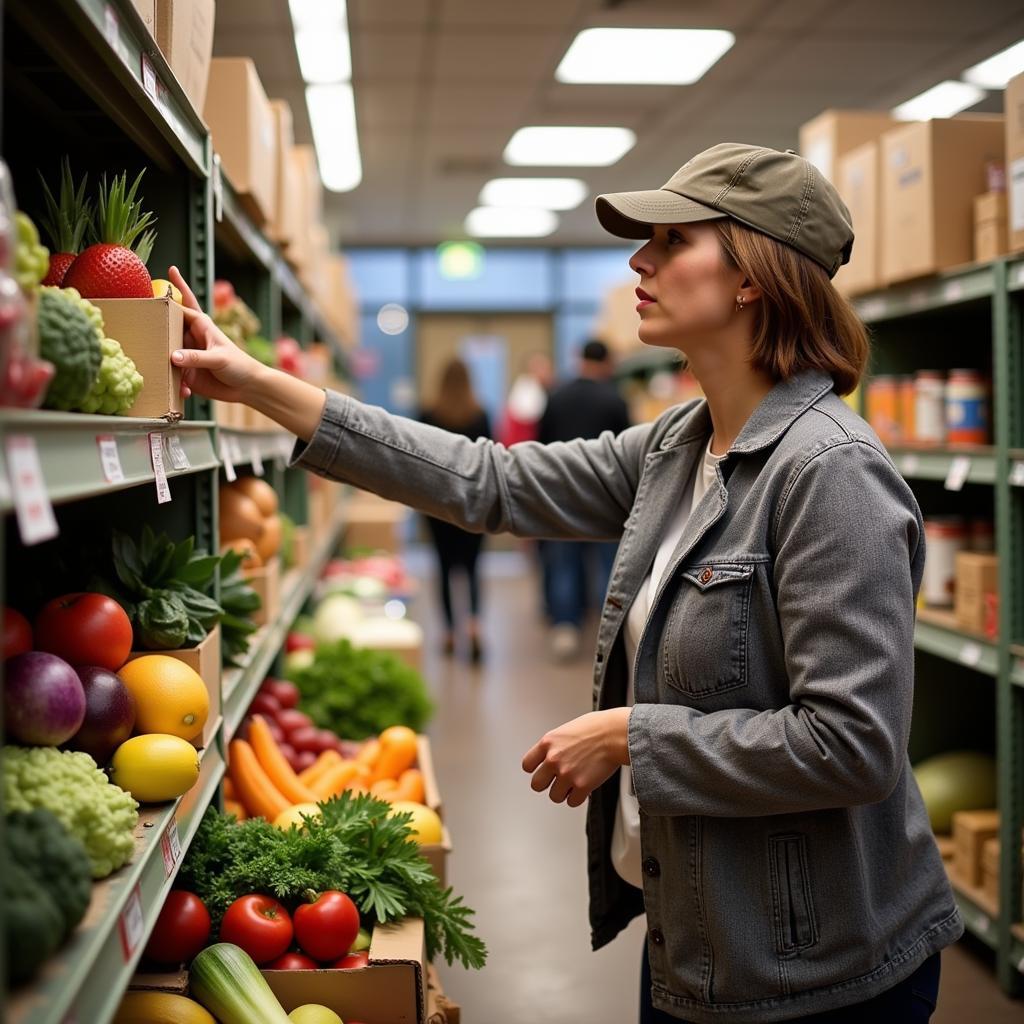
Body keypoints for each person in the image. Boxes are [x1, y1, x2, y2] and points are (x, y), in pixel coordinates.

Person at [165, 141, 960, 1024]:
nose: (639, 260)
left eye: (671, 240)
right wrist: (259, 385)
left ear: (752, 277)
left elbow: (854, 742)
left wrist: (635, 737)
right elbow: (490, 481)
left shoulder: (830, 474)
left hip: (818, 974)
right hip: (699, 941)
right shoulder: (678, 444)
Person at [538, 339, 631, 661]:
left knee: (564, 563)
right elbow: (628, 451)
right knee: (609, 566)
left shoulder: (556, 397)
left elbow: (542, 447)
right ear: (606, 364)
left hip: (563, 495)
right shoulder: (614, 400)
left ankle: (565, 628)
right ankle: (611, 634)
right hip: (606, 496)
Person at [419, 358, 491, 661]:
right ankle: (474, 626)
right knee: (473, 568)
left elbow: (419, 458)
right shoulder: (480, 414)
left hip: (438, 505)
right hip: (473, 503)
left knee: (444, 568)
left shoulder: (428, 413)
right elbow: (490, 459)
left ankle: (449, 632)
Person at [497, 350, 552, 448]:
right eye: (540, 368)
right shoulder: (526, 390)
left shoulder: (540, 390)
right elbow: (528, 418)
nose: (546, 373)